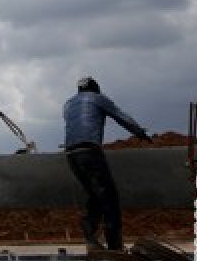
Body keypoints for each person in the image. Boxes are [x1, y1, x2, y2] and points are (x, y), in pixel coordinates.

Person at [62, 77, 151, 251]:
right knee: (109, 197)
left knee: (94, 195)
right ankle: (114, 246)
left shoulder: (68, 104)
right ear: (96, 89)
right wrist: (139, 132)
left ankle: (90, 232)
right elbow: (121, 116)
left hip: (71, 154)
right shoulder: (97, 98)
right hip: (89, 152)